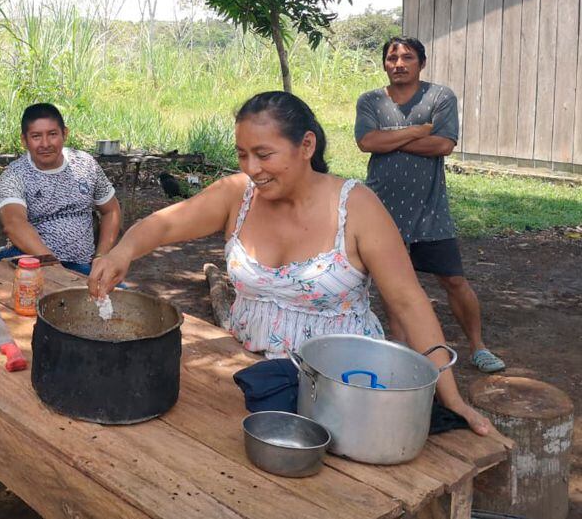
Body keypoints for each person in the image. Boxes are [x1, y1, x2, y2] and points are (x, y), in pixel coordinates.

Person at [88, 91, 493, 435]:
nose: (251, 169)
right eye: (243, 154)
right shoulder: (238, 195)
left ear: (306, 146)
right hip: (246, 372)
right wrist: (121, 252)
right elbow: (161, 225)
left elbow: (409, 302)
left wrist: (451, 396)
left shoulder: (356, 207)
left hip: (340, 387)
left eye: (264, 154)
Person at [355, 36, 505, 373]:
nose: (398, 63)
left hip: (430, 211)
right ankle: (400, 353)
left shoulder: (440, 97)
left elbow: (443, 145)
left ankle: (479, 347)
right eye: (391, 57)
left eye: (407, 57)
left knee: (453, 280)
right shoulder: (371, 101)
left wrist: (391, 139)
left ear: (421, 63)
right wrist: (416, 131)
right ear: (384, 64)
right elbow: (367, 141)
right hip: (380, 210)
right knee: (394, 283)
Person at [0, 103, 122, 276]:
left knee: (124, 298)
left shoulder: (85, 164)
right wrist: (54, 266)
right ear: (24, 140)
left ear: (65, 134)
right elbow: (14, 224)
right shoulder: (14, 175)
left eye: (52, 134)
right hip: (32, 262)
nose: (45, 143)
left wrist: (102, 256)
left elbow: (111, 210)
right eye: (36, 136)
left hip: (82, 265)